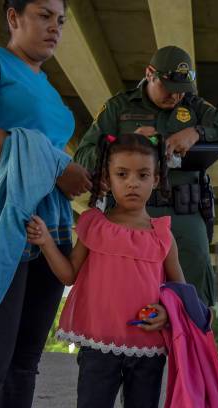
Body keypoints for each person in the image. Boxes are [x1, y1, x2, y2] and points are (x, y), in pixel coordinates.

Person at [0, 1, 91, 406]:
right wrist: (59, 168)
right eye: (44, 16)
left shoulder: (54, 97)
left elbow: (44, 155)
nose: (54, 28)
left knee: (25, 362)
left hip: (48, 229)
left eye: (60, 21)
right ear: (14, 18)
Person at [74, 45, 218, 306]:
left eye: (182, 90)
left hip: (185, 213)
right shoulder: (119, 106)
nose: (176, 96)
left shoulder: (195, 106)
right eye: (168, 87)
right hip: (129, 215)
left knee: (192, 296)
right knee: (126, 295)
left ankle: (188, 345)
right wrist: (125, 145)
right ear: (150, 74)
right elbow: (83, 154)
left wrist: (197, 132)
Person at [26, 133, 186, 407]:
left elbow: (179, 291)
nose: (132, 182)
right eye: (122, 174)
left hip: (148, 347)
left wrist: (167, 314)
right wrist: (46, 243)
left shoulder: (162, 235)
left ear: (156, 180)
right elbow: (69, 275)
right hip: (98, 343)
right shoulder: (93, 224)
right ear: (107, 179)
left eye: (143, 175)